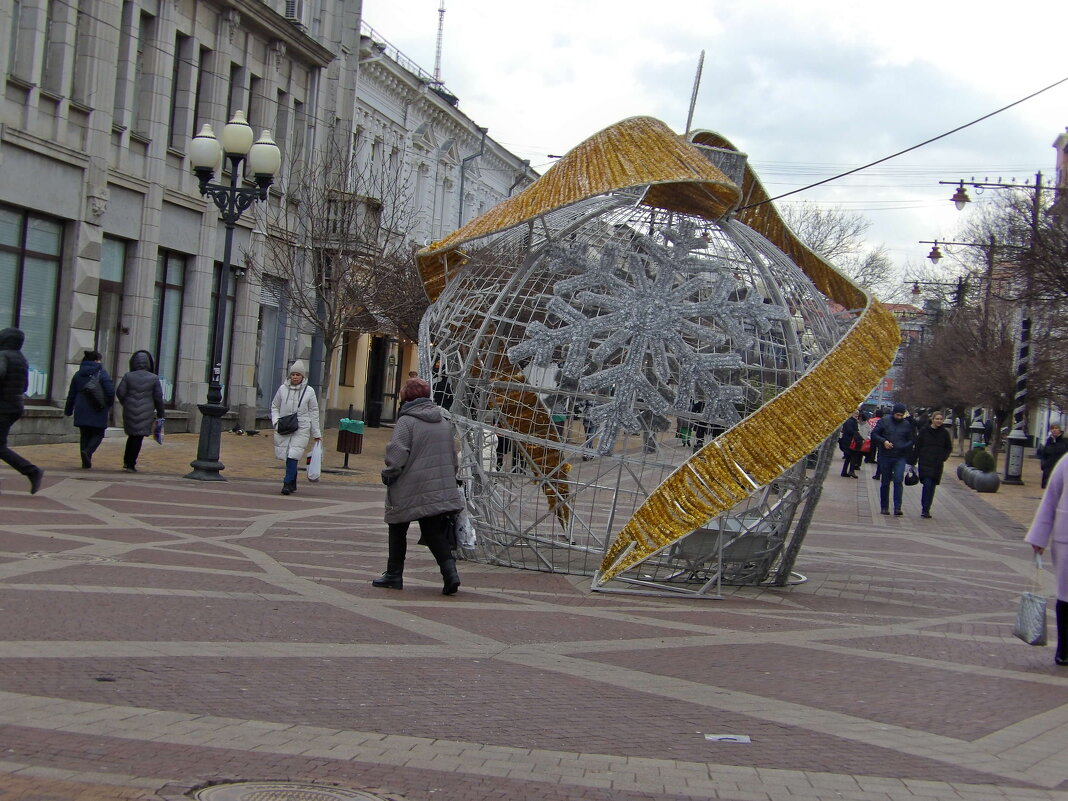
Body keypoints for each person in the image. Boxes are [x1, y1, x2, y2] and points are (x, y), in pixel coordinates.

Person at [373, 377, 464, 595]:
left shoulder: (407, 421)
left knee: (397, 527)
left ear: (407, 396)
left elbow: (397, 454)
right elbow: (452, 457)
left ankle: (394, 574)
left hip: (409, 485)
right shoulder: (442, 421)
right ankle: (450, 574)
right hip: (436, 486)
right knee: (433, 531)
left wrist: (388, 474)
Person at [1025, 453, 1068, 666]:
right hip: (1066, 538)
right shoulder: (1066, 462)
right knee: (1066, 595)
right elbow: (1050, 498)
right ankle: (1065, 648)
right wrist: (1039, 537)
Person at [0, 328, 44, 494]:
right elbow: (25, 386)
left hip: (3, 407)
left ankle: (32, 471)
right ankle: (32, 471)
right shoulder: (21, 359)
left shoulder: (3, 355)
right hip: (15, 406)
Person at [270, 360, 321, 496]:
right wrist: (276, 422)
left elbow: (313, 412)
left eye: (298, 374)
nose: (295, 377)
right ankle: (293, 482)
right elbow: (274, 406)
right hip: (285, 426)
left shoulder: (309, 391)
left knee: (294, 454)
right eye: (293, 374)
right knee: (288, 455)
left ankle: (287, 483)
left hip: (302, 427)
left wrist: (316, 432)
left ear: (303, 376)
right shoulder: (282, 389)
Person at [63, 350, 115, 469]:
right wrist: (108, 405)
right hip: (98, 408)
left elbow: (71, 394)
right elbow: (110, 392)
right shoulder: (102, 373)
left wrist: (68, 409)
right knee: (98, 433)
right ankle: (88, 452)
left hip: (81, 408)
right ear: (96, 360)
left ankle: (85, 461)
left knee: (85, 434)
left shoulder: (78, 374)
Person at [115, 350, 164, 472]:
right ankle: (131, 463)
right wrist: (160, 414)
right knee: (138, 438)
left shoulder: (128, 376)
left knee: (132, 436)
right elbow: (158, 398)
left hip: (129, 409)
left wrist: (125, 403)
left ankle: (127, 461)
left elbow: (120, 392)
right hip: (146, 411)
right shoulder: (153, 378)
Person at [871, 402, 915, 516]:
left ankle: (897, 507)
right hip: (885, 455)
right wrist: (883, 441)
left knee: (898, 479)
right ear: (893, 413)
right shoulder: (884, 421)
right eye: (897, 415)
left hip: (900, 456)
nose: (899, 417)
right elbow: (874, 434)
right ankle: (884, 507)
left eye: (901, 415)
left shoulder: (906, 425)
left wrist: (903, 447)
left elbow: (911, 440)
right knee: (885, 481)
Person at [909, 410, 953, 519]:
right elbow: (917, 447)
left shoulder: (944, 433)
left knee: (932, 487)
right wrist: (912, 462)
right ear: (932, 419)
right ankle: (924, 508)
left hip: (937, 464)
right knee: (927, 484)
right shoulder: (924, 431)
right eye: (937, 419)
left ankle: (927, 508)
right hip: (925, 462)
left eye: (940, 419)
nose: (939, 421)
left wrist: (943, 457)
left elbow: (948, 447)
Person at [1038, 424, 1068, 490]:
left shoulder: (1065, 441)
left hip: (1060, 469)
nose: (1054, 430)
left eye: (1056, 428)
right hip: (1048, 469)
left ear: (1060, 430)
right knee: (1049, 488)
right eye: (1052, 428)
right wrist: (1043, 465)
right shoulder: (1049, 441)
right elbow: (1044, 454)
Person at [838, 410, 863, 478]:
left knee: (848, 457)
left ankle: (844, 471)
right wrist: (859, 436)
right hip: (851, 442)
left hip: (848, 441)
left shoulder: (849, 420)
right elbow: (851, 431)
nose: (856, 415)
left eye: (857, 414)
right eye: (855, 413)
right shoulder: (851, 421)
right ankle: (851, 471)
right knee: (853, 456)